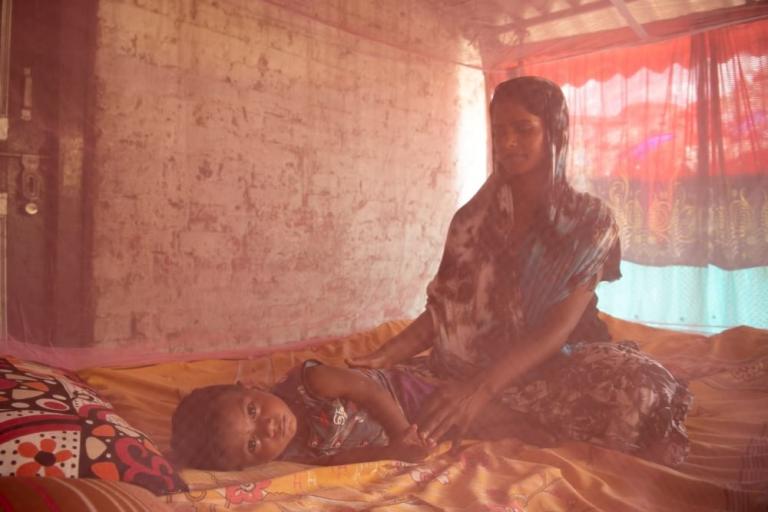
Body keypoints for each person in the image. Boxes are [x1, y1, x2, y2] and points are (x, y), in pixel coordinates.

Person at [348, 76, 693, 466]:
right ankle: (508, 420)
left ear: (554, 133)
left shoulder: (591, 222)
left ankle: (499, 416)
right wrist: (385, 354)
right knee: (367, 396)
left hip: (558, 361)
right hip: (474, 363)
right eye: (499, 131)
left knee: (647, 390)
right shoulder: (472, 221)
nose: (508, 142)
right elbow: (448, 312)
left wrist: (479, 392)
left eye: (523, 129)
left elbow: (556, 330)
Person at [170, 359, 547, 470]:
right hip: (403, 434)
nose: (268, 427)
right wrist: (392, 453)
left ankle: (546, 424)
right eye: (253, 444)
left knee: (490, 417)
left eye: (253, 410)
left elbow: (367, 389)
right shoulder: (290, 454)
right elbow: (338, 458)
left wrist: (402, 431)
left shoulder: (307, 381)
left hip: (401, 394)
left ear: (248, 387)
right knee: (460, 431)